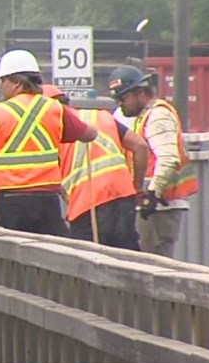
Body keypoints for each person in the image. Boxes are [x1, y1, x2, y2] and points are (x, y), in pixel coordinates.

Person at [0, 49, 97, 235]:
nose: (0, 86)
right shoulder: (54, 109)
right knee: (50, 256)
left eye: (2, 80)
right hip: (46, 202)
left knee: (10, 258)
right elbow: (89, 134)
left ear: (17, 82)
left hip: (9, 204)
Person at [42, 84, 149, 250]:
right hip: (122, 194)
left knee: (87, 263)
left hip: (86, 203)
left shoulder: (51, 127)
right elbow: (140, 146)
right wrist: (137, 187)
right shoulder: (100, 116)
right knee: (127, 261)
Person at [108, 65, 199, 258]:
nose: (120, 105)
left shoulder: (158, 115)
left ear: (140, 92)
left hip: (159, 207)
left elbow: (168, 158)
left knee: (155, 265)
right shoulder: (146, 116)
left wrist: (152, 195)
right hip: (154, 206)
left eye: (123, 98)